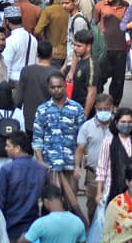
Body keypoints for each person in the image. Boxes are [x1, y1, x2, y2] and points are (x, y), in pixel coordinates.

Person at [32, 73, 86, 225]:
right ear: (48, 89)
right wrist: (41, 161)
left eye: (59, 86)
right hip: (51, 166)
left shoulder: (76, 109)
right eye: (53, 87)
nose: (56, 90)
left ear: (65, 86)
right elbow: (37, 138)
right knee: (53, 205)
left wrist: (78, 165)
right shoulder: (42, 110)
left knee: (71, 203)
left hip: (70, 166)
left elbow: (82, 140)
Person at [0, 133, 49, 242]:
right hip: (33, 229)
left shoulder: (6, 169)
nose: (5, 148)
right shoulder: (41, 169)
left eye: (8, 145)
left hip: (10, 229)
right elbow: (47, 201)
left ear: (18, 148)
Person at [75, 93, 112, 223]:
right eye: (100, 109)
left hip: (112, 175)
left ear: (112, 108)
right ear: (95, 108)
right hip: (93, 175)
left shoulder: (118, 126)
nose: (103, 112)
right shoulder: (87, 127)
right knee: (93, 207)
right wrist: (77, 167)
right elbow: (80, 148)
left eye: (106, 109)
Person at [94, 0, 129, 107]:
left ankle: (114, 105)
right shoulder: (99, 6)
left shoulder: (126, 6)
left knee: (118, 80)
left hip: (120, 48)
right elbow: (94, 25)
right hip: (104, 49)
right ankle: (99, 101)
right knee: (100, 78)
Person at [95, 107, 132, 205]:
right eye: (123, 122)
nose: (126, 125)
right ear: (116, 123)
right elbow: (102, 168)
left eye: (129, 122)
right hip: (112, 188)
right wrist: (99, 192)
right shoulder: (109, 141)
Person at [16, 40, 62, 132]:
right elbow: (60, 99)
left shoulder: (26, 71)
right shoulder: (56, 73)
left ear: (37, 54)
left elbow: (18, 98)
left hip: (29, 120)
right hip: (49, 120)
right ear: (52, 53)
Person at [18, 184, 86, 243]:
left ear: (45, 201)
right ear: (62, 199)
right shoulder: (78, 222)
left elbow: (23, 241)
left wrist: (23, 236)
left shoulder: (41, 223)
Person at [68, 29, 100, 120]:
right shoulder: (81, 61)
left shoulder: (91, 66)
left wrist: (84, 116)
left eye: (79, 46)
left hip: (85, 114)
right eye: (74, 45)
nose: (75, 48)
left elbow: (92, 93)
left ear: (88, 47)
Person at [34, 0, 69, 66]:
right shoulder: (69, 10)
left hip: (53, 52)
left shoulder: (48, 10)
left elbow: (37, 31)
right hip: (67, 52)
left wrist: (45, 41)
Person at [3, 6, 36, 83]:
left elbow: (6, 67)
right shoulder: (33, 39)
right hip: (30, 80)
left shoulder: (10, 41)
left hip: (14, 81)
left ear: (7, 21)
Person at [60, 0, 90, 71]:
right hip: (71, 64)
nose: (64, 6)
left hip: (77, 65)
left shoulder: (78, 21)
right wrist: (65, 65)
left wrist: (72, 72)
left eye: (67, 3)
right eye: (62, 3)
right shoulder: (71, 17)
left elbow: (78, 48)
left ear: (76, 1)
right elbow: (71, 44)